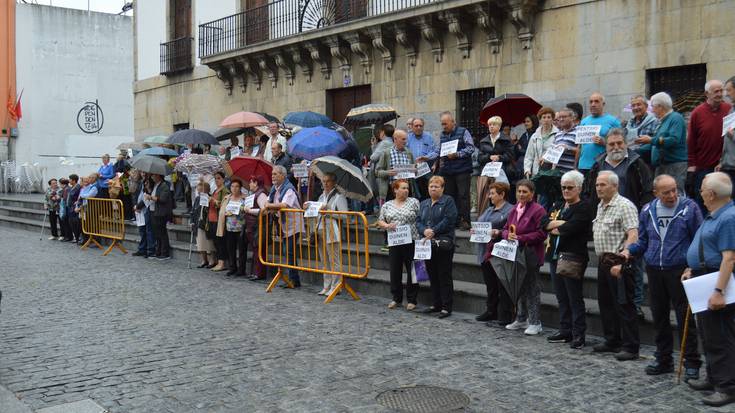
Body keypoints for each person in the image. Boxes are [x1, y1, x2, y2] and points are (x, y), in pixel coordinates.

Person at [621, 175, 702, 379]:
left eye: (674, 190)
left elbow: (699, 239)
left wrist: (692, 266)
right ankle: (663, 358)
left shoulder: (689, 208)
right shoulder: (648, 210)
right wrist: (629, 251)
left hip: (680, 270)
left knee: (685, 318)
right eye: (666, 192)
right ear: (656, 193)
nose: (672, 195)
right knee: (659, 316)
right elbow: (644, 240)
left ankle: (692, 361)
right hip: (655, 270)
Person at [681, 172, 735, 407]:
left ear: (711, 194)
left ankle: (727, 386)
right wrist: (691, 267)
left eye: (702, 188)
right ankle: (714, 378)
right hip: (704, 277)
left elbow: (729, 258)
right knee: (709, 334)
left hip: (716, 281)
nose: (700, 192)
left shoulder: (728, 218)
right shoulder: (715, 215)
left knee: (721, 336)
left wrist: (718, 291)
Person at [591, 171, 640, 361]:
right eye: (597, 185)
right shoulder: (601, 205)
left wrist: (624, 258)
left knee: (624, 304)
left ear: (615, 186)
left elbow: (633, 234)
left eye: (603, 185)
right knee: (606, 304)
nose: (598, 188)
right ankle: (612, 340)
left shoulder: (624, 206)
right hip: (603, 261)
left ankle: (630, 346)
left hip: (619, 261)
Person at [544, 170, 592, 349]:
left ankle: (579, 333)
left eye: (570, 188)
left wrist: (557, 225)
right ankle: (565, 329)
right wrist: (560, 224)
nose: (566, 190)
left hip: (573, 256)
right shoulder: (557, 204)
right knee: (561, 295)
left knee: (574, 296)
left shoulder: (584, 207)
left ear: (578, 188)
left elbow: (574, 227)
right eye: (563, 187)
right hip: (554, 255)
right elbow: (544, 223)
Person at [502, 179, 547, 335]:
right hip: (515, 254)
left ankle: (535, 322)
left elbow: (541, 233)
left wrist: (521, 238)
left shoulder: (538, 210)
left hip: (531, 254)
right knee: (519, 287)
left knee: (532, 289)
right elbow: (505, 229)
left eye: (525, 192)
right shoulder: (514, 209)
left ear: (532, 194)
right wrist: (508, 235)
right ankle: (521, 318)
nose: (521, 194)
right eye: (519, 191)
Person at [417, 176, 458, 318]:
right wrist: (424, 231)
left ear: (442, 188)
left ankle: (447, 307)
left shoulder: (448, 201)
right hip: (428, 244)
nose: (433, 188)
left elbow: (450, 219)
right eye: (431, 186)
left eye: (436, 186)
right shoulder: (424, 203)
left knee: (444, 275)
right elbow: (418, 221)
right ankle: (436, 303)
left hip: (443, 242)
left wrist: (433, 230)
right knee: (432, 274)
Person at [687, 80, 732, 209]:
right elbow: (691, 141)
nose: (720, 94)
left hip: (724, 165)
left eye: (721, 90)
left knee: (725, 202)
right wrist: (692, 165)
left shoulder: (729, 110)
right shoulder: (697, 113)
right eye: (716, 91)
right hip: (703, 167)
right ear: (707, 94)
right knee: (704, 202)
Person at [377, 179, 421, 310]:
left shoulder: (414, 202)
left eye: (407, 188)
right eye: (403, 188)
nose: (406, 190)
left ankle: (412, 299)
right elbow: (380, 221)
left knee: (413, 270)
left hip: (412, 240)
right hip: (395, 241)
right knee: (395, 270)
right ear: (395, 190)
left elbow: (421, 218)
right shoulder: (387, 205)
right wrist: (387, 225)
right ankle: (396, 298)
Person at [585, 128, 654, 211]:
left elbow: (648, 190)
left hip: (629, 214)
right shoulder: (597, 165)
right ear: (606, 146)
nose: (616, 147)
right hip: (602, 214)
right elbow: (587, 191)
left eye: (619, 143)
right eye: (612, 144)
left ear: (626, 144)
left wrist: (642, 212)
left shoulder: (637, 164)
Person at [633, 92, 688, 194]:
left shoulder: (675, 118)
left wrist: (651, 140)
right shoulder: (662, 121)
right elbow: (654, 143)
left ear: (660, 107)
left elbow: (673, 139)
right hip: (661, 165)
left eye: (653, 107)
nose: (652, 110)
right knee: (660, 194)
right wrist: (634, 151)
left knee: (675, 194)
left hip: (674, 165)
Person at [475, 182, 514, 324]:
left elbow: (507, 228)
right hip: (485, 252)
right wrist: (476, 230)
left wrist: (496, 232)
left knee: (502, 285)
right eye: (489, 193)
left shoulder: (510, 210)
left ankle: (505, 314)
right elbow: (480, 223)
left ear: (502, 194)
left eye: (492, 193)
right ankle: (491, 310)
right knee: (490, 284)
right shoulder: (489, 210)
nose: (489, 196)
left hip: (499, 253)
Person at [310, 172, 349, 295]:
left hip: (332, 230)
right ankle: (326, 286)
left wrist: (329, 211)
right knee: (324, 260)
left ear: (334, 182)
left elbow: (344, 215)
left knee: (334, 260)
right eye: (323, 181)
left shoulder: (339, 197)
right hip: (320, 229)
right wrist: (309, 206)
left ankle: (336, 285)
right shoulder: (321, 197)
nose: (325, 183)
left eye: (328, 181)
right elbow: (316, 211)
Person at [265, 165, 303, 288]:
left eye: (275, 174)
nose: (273, 176)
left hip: (293, 224)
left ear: (283, 175)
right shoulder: (274, 188)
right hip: (283, 224)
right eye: (272, 174)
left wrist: (269, 206)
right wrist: (269, 205)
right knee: (287, 251)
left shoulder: (289, 189)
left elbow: (284, 205)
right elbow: (268, 202)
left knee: (290, 251)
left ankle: (294, 280)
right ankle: (292, 278)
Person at [437, 111, 474, 230]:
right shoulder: (442, 135)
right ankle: (453, 220)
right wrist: (428, 157)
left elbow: (471, 148)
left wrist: (457, 154)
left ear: (453, 122)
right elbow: (439, 150)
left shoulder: (463, 132)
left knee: (463, 196)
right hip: (448, 170)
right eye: (442, 124)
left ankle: (465, 221)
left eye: (445, 124)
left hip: (462, 169)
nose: (444, 126)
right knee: (449, 196)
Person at [477, 116, 514, 215]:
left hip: (502, 172)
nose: (491, 127)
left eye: (494, 124)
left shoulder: (506, 140)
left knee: (501, 196)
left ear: (499, 126)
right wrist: (489, 157)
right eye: (490, 125)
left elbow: (510, 155)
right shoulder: (483, 141)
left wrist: (499, 157)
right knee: (488, 197)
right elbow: (479, 158)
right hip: (488, 173)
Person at [578, 93, 622, 175]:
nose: (593, 104)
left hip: (602, 165)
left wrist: (604, 142)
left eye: (596, 101)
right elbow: (580, 146)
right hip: (583, 166)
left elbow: (621, 144)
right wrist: (575, 166)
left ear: (603, 104)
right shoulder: (584, 121)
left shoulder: (613, 121)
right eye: (591, 102)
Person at [218, 178, 248, 277]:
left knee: (242, 250)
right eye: (232, 186)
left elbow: (248, 211)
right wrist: (225, 213)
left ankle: (241, 269)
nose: (234, 188)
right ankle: (232, 267)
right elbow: (222, 210)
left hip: (241, 227)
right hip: (229, 227)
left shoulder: (245, 198)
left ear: (240, 188)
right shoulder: (227, 198)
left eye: (237, 186)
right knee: (231, 249)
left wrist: (242, 210)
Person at [376, 129, 415, 203]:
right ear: (395, 139)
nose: (405, 141)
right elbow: (377, 172)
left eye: (406, 139)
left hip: (406, 190)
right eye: (403, 139)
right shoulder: (386, 153)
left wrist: (415, 171)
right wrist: (388, 172)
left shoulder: (409, 153)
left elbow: (414, 170)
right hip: (391, 190)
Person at [244, 176, 269, 281]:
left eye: (251, 182)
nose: (249, 184)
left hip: (258, 226)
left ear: (256, 183)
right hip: (253, 225)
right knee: (255, 250)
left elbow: (264, 210)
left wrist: (249, 211)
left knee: (259, 249)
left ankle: (259, 273)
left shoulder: (261, 194)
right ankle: (255, 272)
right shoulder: (254, 194)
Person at [408, 118, 438, 200]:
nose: (418, 128)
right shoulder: (408, 138)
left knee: (428, 192)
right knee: (416, 193)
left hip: (426, 170)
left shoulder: (429, 137)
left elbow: (436, 152)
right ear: (412, 127)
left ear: (423, 126)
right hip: (413, 170)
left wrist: (426, 157)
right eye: (416, 126)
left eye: (420, 126)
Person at [524, 107, 558, 177]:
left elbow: (557, 154)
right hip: (536, 172)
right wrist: (527, 170)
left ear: (552, 119)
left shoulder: (558, 134)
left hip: (551, 171)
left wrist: (546, 158)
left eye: (549, 117)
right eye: (544, 117)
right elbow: (529, 156)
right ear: (540, 120)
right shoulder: (534, 136)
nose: (546, 120)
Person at [626, 95, 659, 165]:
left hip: (647, 161)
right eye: (633, 105)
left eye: (638, 105)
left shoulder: (654, 121)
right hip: (630, 160)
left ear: (646, 106)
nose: (636, 108)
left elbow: (657, 141)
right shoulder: (629, 123)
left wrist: (648, 140)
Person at [146, 173, 172, 260]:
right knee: (157, 233)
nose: (152, 177)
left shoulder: (164, 185)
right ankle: (159, 251)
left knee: (162, 233)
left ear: (158, 176)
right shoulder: (155, 185)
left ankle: (165, 252)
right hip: (154, 211)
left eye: (153, 175)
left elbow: (163, 199)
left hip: (161, 212)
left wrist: (151, 197)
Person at [208, 171, 230, 271]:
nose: (217, 180)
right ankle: (218, 261)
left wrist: (214, 201)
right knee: (215, 241)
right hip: (211, 217)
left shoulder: (225, 191)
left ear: (223, 179)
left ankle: (222, 263)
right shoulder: (215, 190)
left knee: (220, 242)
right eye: (215, 178)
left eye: (218, 178)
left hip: (218, 219)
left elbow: (223, 205)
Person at [191, 181, 216, 268]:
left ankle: (212, 260)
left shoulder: (210, 197)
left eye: (200, 190)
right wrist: (192, 221)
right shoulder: (197, 199)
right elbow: (193, 211)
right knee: (200, 243)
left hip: (206, 223)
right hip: (198, 222)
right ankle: (204, 260)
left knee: (209, 243)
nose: (198, 191)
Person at [132, 172, 156, 259]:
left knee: (148, 230)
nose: (143, 174)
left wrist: (138, 206)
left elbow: (146, 196)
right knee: (142, 230)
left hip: (146, 208)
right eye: (141, 172)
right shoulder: (140, 182)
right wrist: (135, 205)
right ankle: (142, 249)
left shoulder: (150, 182)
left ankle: (150, 250)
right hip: (140, 209)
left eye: (144, 172)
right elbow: (136, 195)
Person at [549, 108, 579, 173]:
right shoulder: (558, 134)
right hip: (557, 173)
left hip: (570, 173)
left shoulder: (579, 132)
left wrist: (568, 148)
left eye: (564, 117)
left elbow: (582, 151)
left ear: (572, 118)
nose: (561, 119)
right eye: (560, 117)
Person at [717, 76, 735, 184]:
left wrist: (732, 135)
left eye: (729, 90)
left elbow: (730, 134)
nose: (726, 94)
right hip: (728, 166)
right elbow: (726, 140)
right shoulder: (731, 109)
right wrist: (722, 161)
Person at [65, 174, 82, 244]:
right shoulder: (71, 187)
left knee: (75, 223)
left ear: (74, 180)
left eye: (70, 179)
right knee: (71, 223)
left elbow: (78, 197)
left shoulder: (78, 187)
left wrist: (76, 203)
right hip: (70, 207)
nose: (69, 181)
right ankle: (75, 237)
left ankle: (77, 237)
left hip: (74, 208)